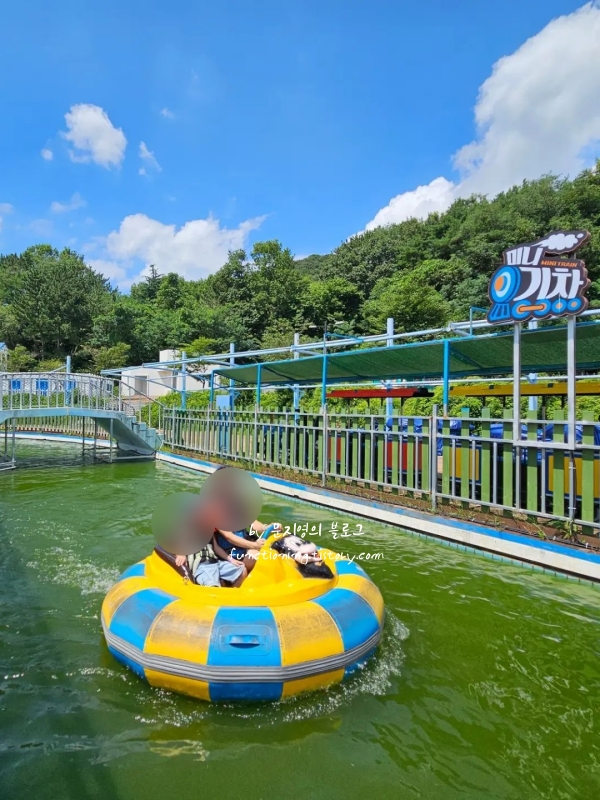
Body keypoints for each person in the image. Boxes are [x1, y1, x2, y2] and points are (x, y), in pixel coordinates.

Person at [174, 533, 246, 587]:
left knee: (242, 571)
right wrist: (179, 554)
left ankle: (230, 597)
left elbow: (216, 548)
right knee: (213, 587)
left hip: (216, 563)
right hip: (202, 566)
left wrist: (231, 560)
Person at [215, 520, 282, 573]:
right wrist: (255, 545)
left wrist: (266, 527)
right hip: (228, 556)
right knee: (260, 558)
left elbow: (253, 523)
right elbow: (230, 538)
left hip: (244, 548)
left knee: (272, 553)